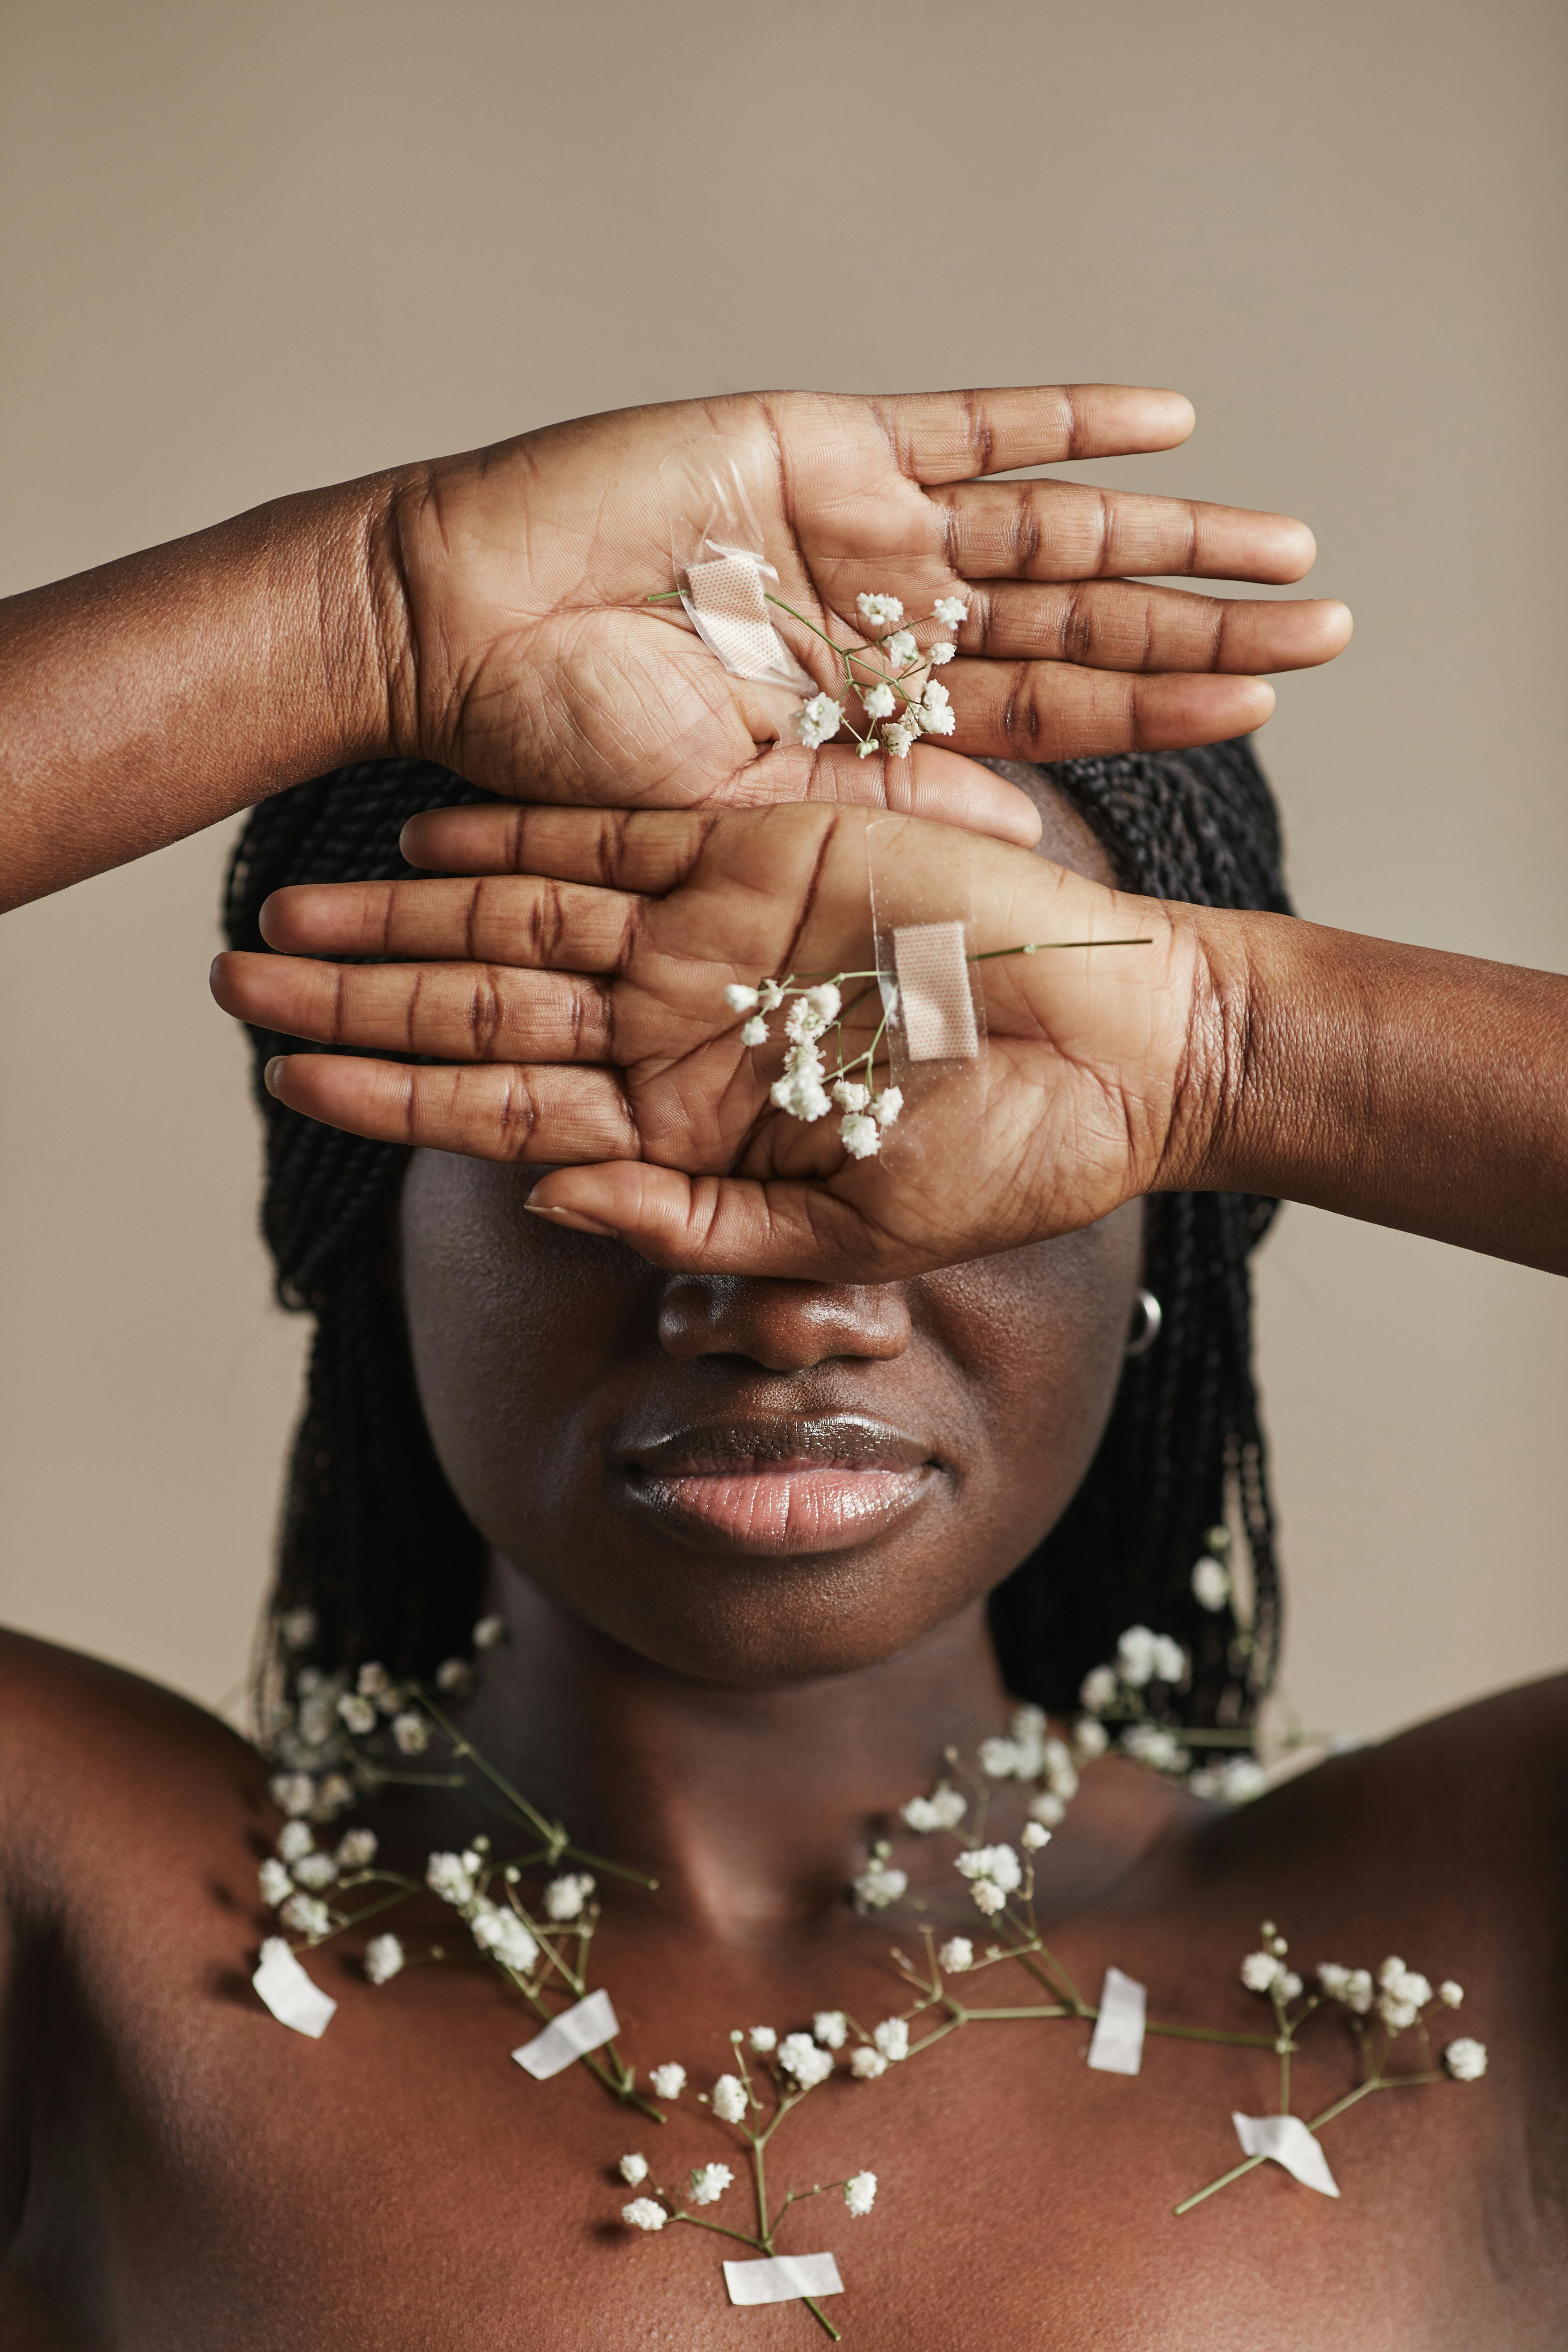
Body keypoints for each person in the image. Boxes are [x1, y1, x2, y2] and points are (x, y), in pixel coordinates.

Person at [2, 386, 1563, 2346]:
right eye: (586, 1100)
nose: (781, 1293)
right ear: (363, 1232)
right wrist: (371, 608)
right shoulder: (93, 1948)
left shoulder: (1489, 1934)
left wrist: (1245, 1048)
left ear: (1171, 1219)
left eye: (939, 1106)